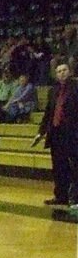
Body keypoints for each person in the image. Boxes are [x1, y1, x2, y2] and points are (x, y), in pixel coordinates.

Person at [34, 60, 78, 207]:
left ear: (70, 71)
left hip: (72, 133)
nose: (61, 73)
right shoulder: (53, 91)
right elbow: (48, 113)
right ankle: (61, 196)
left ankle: (76, 198)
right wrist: (41, 132)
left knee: (75, 167)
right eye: (59, 71)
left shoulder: (76, 88)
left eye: (64, 70)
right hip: (56, 133)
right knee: (58, 166)